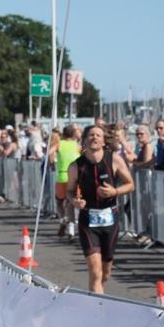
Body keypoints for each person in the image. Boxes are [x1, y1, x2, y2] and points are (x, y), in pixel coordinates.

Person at [66, 124, 134, 294]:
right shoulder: (76, 166)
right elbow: (69, 191)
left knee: (105, 273)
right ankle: (98, 310)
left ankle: (99, 294)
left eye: (98, 135)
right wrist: (75, 201)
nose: (94, 137)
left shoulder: (114, 159)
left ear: (104, 141)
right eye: (91, 135)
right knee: (95, 272)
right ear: (85, 140)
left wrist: (115, 191)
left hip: (110, 218)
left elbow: (130, 184)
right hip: (88, 220)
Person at [50, 124, 82, 239]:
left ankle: (63, 219)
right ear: (73, 134)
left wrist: (52, 162)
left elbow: (50, 152)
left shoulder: (59, 144)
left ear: (63, 134)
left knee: (59, 202)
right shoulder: (77, 146)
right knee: (71, 204)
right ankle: (72, 230)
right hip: (74, 177)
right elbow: (84, 155)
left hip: (62, 176)